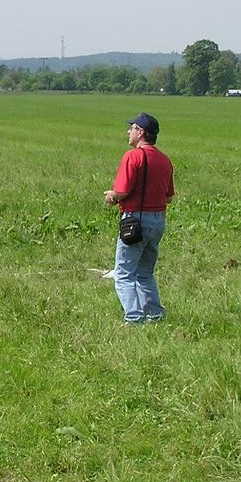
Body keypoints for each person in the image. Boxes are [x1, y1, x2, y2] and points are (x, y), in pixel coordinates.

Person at [104, 112, 174, 324]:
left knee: (124, 274)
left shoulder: (132, 156)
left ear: (141, 132)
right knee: (145, 273)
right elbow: (169, 197)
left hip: (135, 222)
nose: (128, 131)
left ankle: (134, 318)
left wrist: (112, 196)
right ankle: (155, 314)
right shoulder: (165, 160)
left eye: (132, 128)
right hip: (158, 221)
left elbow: (122, 191)